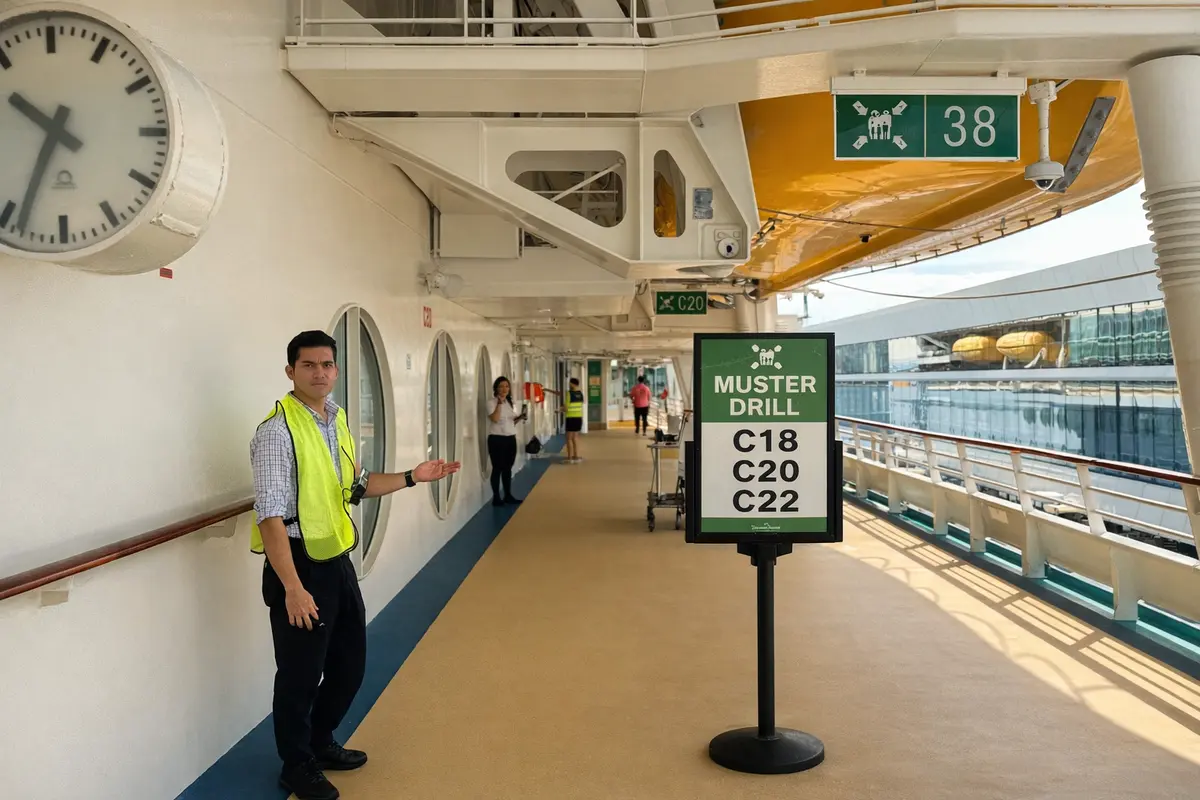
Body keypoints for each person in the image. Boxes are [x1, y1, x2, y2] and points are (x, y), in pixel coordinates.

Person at [249, 330, 460, 800]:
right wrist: (292, 587)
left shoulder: (335, 420)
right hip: (299, 567)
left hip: (337, 561)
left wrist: (412, 477)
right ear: (291, 372)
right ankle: (296, 764)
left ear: (337, 371)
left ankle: (320, 743)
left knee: (349, 664)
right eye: (308, 365)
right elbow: (270, 518)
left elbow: (356, 486)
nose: (319, 373)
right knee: (300, 675)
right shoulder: (277, 431)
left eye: (327, 365)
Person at [487, 375, 527, 506]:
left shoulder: (509, 403)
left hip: (510, 438)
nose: (504, 389)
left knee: (508, 468)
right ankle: (496, 497)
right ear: (496, 389)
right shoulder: (491, 402)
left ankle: (508, 495)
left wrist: (520, 417)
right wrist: (499, 403)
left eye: (506, 386)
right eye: (501, 387)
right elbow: (495, 419)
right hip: (497, 439)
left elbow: (512, 421)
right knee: (497, 468)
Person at [563, 377, 584, 463]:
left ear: (573, 384)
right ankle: (576, 456)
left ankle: (569, 458)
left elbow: (566, 408)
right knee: (575, 438)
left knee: (568, 438)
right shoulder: (580, 394)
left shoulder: (569, 394)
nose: (569, 385)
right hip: (578, 418)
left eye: (570, 383)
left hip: (570, 418)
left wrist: (559, 410)